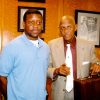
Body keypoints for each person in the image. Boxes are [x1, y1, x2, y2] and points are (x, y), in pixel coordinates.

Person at [0, 9, 50, 100]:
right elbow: (1, 77)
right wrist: (10, 97)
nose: (35, 26)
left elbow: (42, 73)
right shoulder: (12, 47)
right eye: (31, 22)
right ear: (24, 24)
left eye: (39, 23)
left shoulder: (46, 47)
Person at [47, 15, 99, 100]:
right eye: (62, 28)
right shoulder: (51, 45)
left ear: (76, 27)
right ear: (59, 29)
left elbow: (95, 61)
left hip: (82, 92)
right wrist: (57, 70)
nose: (65, 31)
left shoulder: (88, 45)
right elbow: (45, 69)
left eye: (69, 27)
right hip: (59, 94)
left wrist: (97, 64)